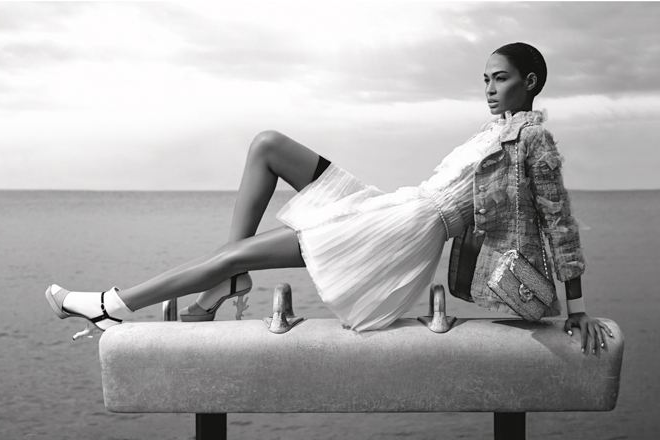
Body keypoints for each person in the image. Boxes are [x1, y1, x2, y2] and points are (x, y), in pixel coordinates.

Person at [45, 42, 613, 354]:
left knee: (239, 253)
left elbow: (559, 225)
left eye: (501, 78)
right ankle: (226, 283)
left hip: (403, 231)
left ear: (530, 82)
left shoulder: (531, 141)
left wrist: (577, 309)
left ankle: (113, 305)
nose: (489, 89)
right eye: (485, 79)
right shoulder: (492, 133)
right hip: (395, 207)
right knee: (267, 145)